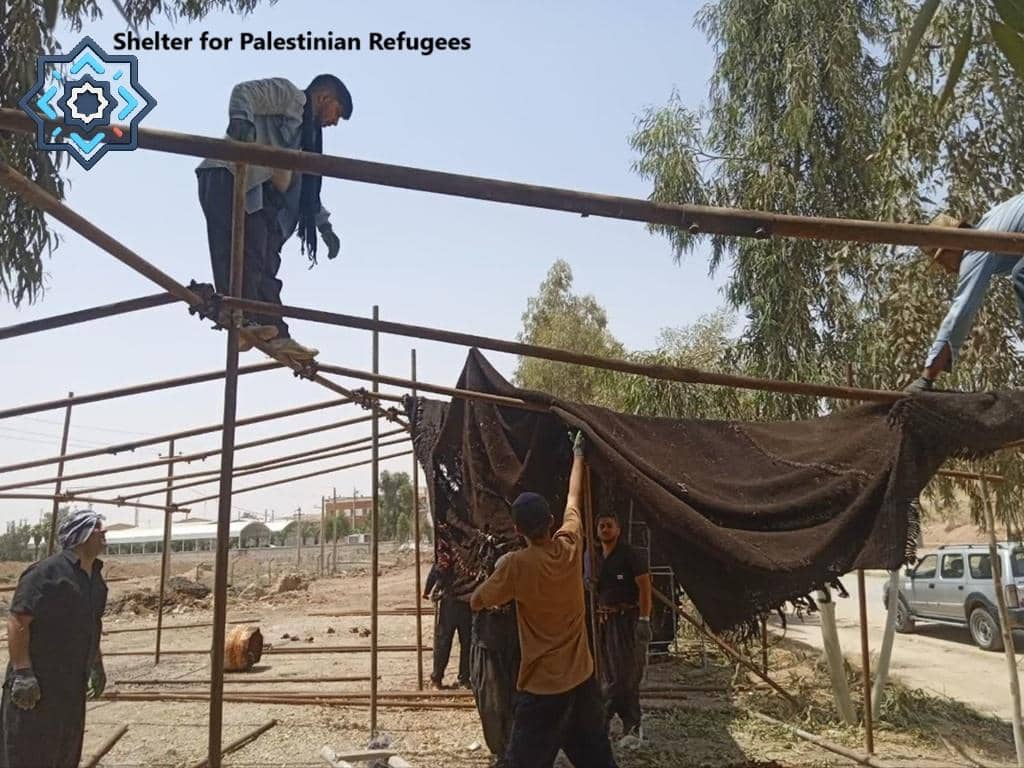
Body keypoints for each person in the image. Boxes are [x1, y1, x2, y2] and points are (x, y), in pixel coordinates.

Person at [470, 433, 618, 768]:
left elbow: (477, 601)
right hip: (581, 679)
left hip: (542, 690)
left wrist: (497, 587)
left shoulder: (516, 566)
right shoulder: (569, 545)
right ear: (550, 521)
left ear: (518, 530)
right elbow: (573, 498)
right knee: (596, 757)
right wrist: (579, 454)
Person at [196, 74, 352, 364]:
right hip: (227, 175)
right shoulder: (289, 96)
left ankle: (277, 333)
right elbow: (244, 91)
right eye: (337, 113)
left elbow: (307, 189)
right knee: (241, 253)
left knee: (265, 262)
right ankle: (238, 318)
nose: (334, 122)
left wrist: (324, 227)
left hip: (260, 194)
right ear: (324, 98)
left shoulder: (306, 137)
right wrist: (242, 121)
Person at [0, 510, 108, 768]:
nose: (104, 534)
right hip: (38, 683)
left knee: (64, 749)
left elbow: (91, 625)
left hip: (71, 683)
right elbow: (18, 622)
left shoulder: (96, 578)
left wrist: (96, 663)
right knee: (29, 751)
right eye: (98, 529)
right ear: (81, 535)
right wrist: (23, 672)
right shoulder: (45, 573)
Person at [906, 194, 1024, 392]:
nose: (947, 270)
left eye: (943, 261)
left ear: (951, 248)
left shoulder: (974, 247)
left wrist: (927, 377)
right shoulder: (990, 225)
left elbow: (961, 311)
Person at [594, 511, 652, 739]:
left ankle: (604, 719)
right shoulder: (597, 557)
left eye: (609, 526)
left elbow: (645, 587)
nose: (605, 529)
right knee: (611, 674)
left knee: (624, 675)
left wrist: (644, 619)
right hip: (605, 621)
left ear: (618, 530)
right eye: (601, 526)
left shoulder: (629, 555)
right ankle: (629, 724)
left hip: (626, 620)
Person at [469, 536, 521, 767]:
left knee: (515, 701)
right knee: (492, 703)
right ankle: (502, 750)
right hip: (488, 646)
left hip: (513, 648)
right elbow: (476, 603)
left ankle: (511, 751)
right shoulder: (485, 591)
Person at [424, 543, 471, 690]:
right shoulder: (470, 548)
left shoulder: (448, 548)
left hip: (450, 600)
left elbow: (438, 569)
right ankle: (464, 678)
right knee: (467, 642)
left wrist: (427, 590)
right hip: (468, 600)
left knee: (443, 640)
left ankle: (437, 678)